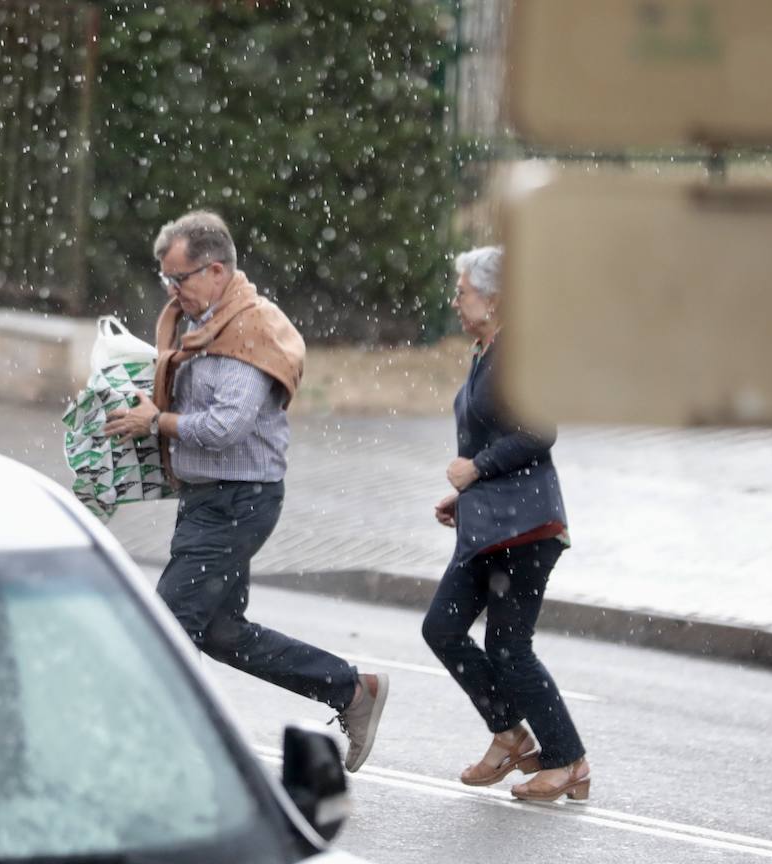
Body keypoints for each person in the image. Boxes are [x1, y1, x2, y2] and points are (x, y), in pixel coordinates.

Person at [101, 210, 389, 772]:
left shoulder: (249, 329)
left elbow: (225, 425)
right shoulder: (197, 321)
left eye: (178, 278)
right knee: (221, 632)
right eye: (166, 279)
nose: (171, 290)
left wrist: (156, 422)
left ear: (213, 270)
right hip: (208, 496)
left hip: (239, 500)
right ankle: (352, 690)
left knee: (170, 624)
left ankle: (155, 757)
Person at [421, 245, 590, 802]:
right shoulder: (486, 351)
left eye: (463, 291)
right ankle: (510, 734)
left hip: (527, 527)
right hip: (492, 524)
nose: (456, 300)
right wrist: (464, 496)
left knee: (509, 646)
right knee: (443, 629)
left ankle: (567, 761)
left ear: (492, 299)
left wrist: (476, 470)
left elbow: (539, 432)